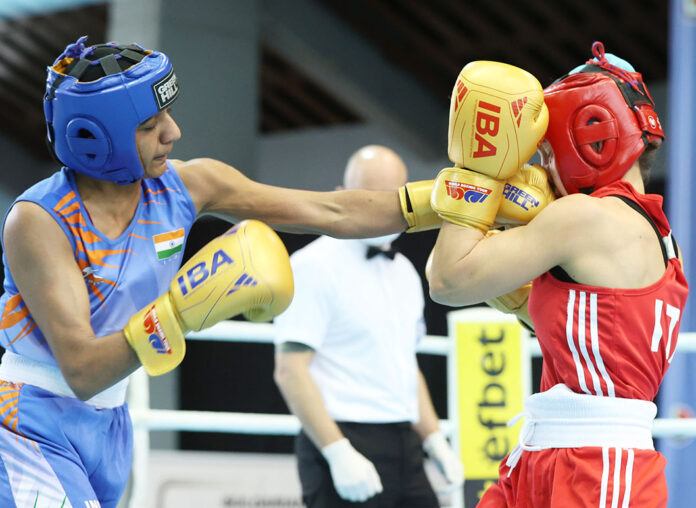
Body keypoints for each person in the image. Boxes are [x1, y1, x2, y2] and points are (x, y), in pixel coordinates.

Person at [0, 37, 425, 508]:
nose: (173, 132)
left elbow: (330, 211)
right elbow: (82, 370)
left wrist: (438, 202)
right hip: (33, 417)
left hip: (111, 421)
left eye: (167, 114)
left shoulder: (186, 185)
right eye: (149, 125)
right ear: (94, 139)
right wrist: (180, 312)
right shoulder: (38, 220)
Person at [427, 42, 689, 507]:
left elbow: (448, 280)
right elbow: (589, 337)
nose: (542, 169)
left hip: (597, 468)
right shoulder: (664, 242)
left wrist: (476, 169)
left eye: (546, 152)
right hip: (548, 452)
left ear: (592, 135)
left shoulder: (586, 218)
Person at [273, 145, 463, 507]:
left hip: (405, 441)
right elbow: (291, 370)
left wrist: (435, 440)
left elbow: (405, 365)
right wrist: (336, 451)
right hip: (344, 435)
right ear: (342, 196)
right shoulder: (312, 266)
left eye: (396, 197)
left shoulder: (405, 271)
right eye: (373, 196)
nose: (384, 208)